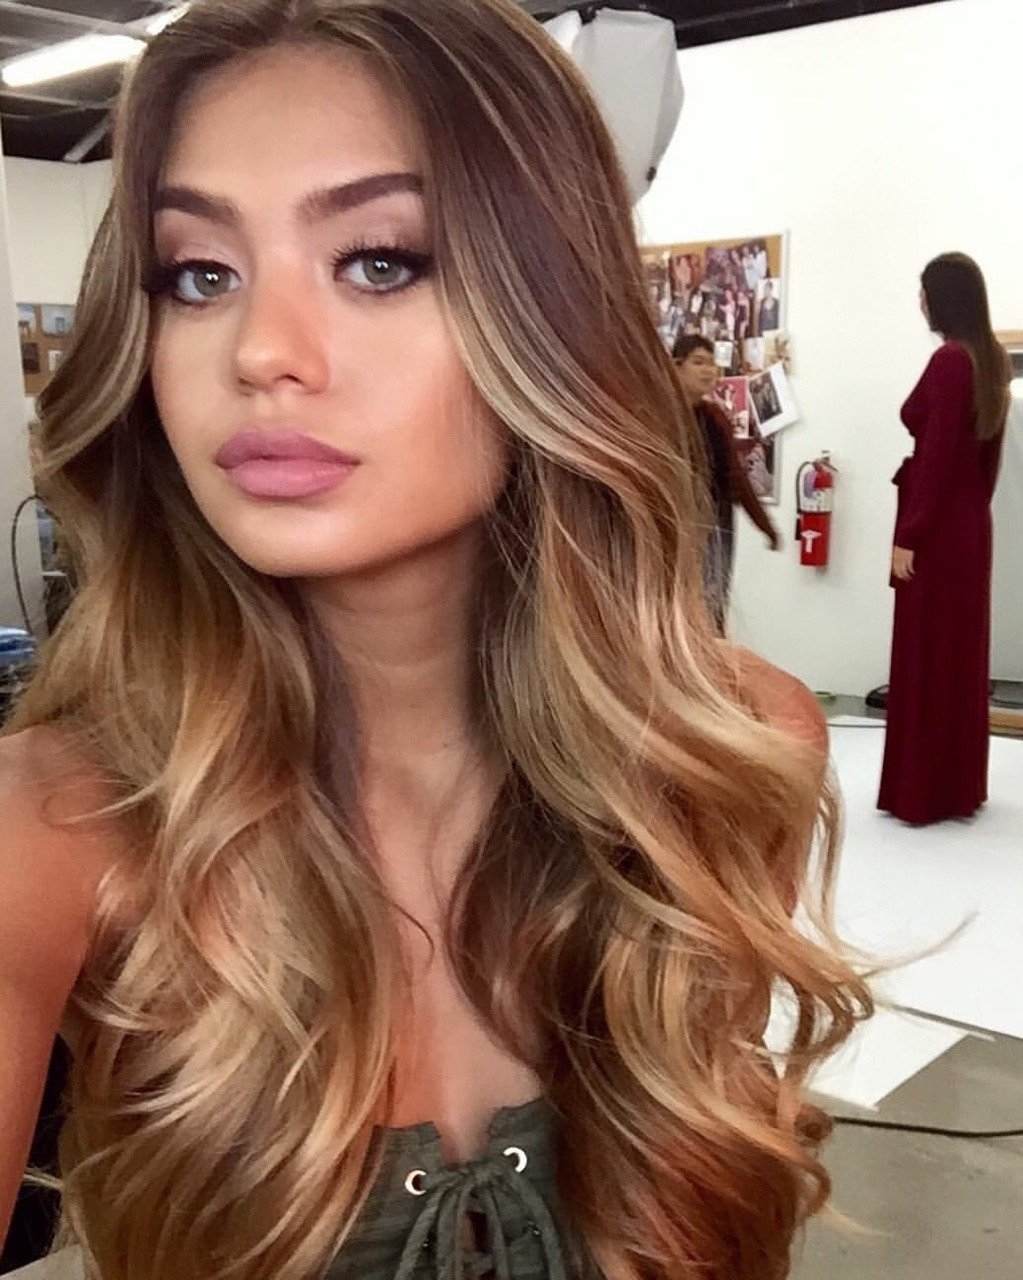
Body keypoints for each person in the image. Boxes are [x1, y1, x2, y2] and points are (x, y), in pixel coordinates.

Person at [0, 4, 869, 1280]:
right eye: (200, 274)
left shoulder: (724, 760)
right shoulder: (56, 831)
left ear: (553, 307)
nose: (262, 352)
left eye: (378, 260)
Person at [879, 253, 1010, 825]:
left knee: (927, 650)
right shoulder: (991, 360)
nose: (920, 302)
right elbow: (986, 461)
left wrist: (911, 534)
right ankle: (956, 787)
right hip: (969, 522)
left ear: (943, 298)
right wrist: (969, 516)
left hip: (935, 525)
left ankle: (923, 792)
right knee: (957, 651)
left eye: (925, 291)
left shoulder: (951, 361)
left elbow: (935, 456)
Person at [673, 335, 781, 632]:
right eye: (698, 362)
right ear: (676, 367)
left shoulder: (715, 418)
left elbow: (736, 476)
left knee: (712, 609)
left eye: (712, 363)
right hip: (676, 522)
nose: (708, 371)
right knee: (675, 609)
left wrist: (765, 525)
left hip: (714, 523)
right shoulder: (660, 416)